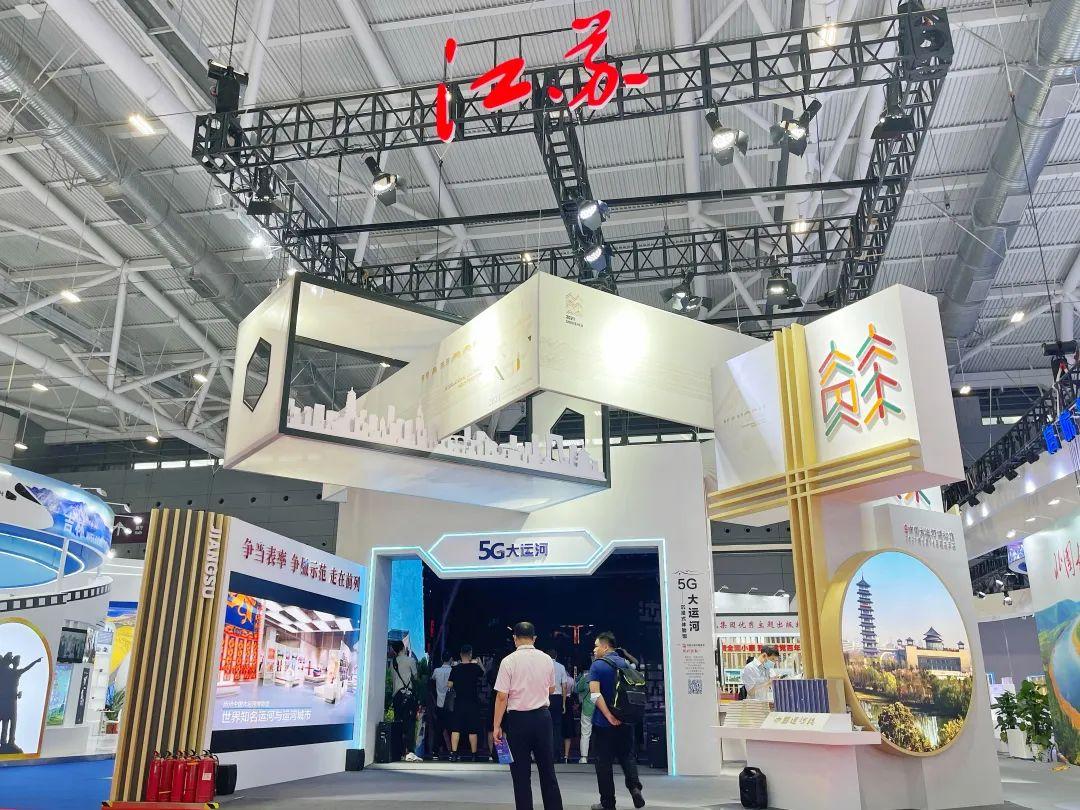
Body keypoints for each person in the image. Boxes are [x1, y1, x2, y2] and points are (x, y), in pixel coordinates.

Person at [493, 622, 564, 810]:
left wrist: (496, 726)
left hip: (518, 721)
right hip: (542, 718)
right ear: (534, 639)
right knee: (548, 771)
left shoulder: (508, 661)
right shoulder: (547, 659)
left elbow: (502, 697)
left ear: (514, 638)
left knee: (521, 775)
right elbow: (551, 689)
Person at [588, 632, 644, 810]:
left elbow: (595, 694)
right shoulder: (625, 664)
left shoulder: (597, 665)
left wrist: (609, 715)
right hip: (626, 721)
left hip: (603, 724)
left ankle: (608, 803)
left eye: (596, 646)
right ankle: (635, 788)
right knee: (627, 756)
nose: (594, 649)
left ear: (605, 647)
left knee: (603, 764)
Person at [449, 644, 484, 761]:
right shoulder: (475, 668)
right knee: (472, 729)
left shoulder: (455, 669)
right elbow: (484, 673)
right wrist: (479, 663)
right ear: (470, 654)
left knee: (456, 728)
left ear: (460, 655)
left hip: (459, 702)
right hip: (472, 702)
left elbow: (449, 684)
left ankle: (454, 754)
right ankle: (474, 755)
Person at [389, 641, 418, 757]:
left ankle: (398, 750)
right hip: (408, 694)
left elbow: (393, 677)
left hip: (397, 695)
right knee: (410, 723)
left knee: (398, 721)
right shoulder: (411, 660)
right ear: (403, 648)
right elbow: (415, 676)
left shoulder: (393, 662)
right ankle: (410, 750)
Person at [547, 650, 570, 761]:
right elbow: (564, 686)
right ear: (556, 656)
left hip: (546, 698)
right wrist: (564, 703)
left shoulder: (544, 666)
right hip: (557, 699)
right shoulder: (561, 667)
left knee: (546, 727)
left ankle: (547, 753)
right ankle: (557, 754)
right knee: (557, 727)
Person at [433, 654, 454, 758]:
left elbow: (432, 680)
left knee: (439, 728)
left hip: (439, 703)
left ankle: (436, 751)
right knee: (451, 728)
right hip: (450, 704)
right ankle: (452, 751)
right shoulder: (453, 670)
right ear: (451, 659)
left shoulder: (436, 671)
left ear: (442, 659)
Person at [574, 661, 595, 764]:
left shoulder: (586, 676)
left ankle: (584, 757)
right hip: (602, 708)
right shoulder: (604, 674)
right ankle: (603, 756)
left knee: (585, 733)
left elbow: (576, 689)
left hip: (587, 707)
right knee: (603, 733)